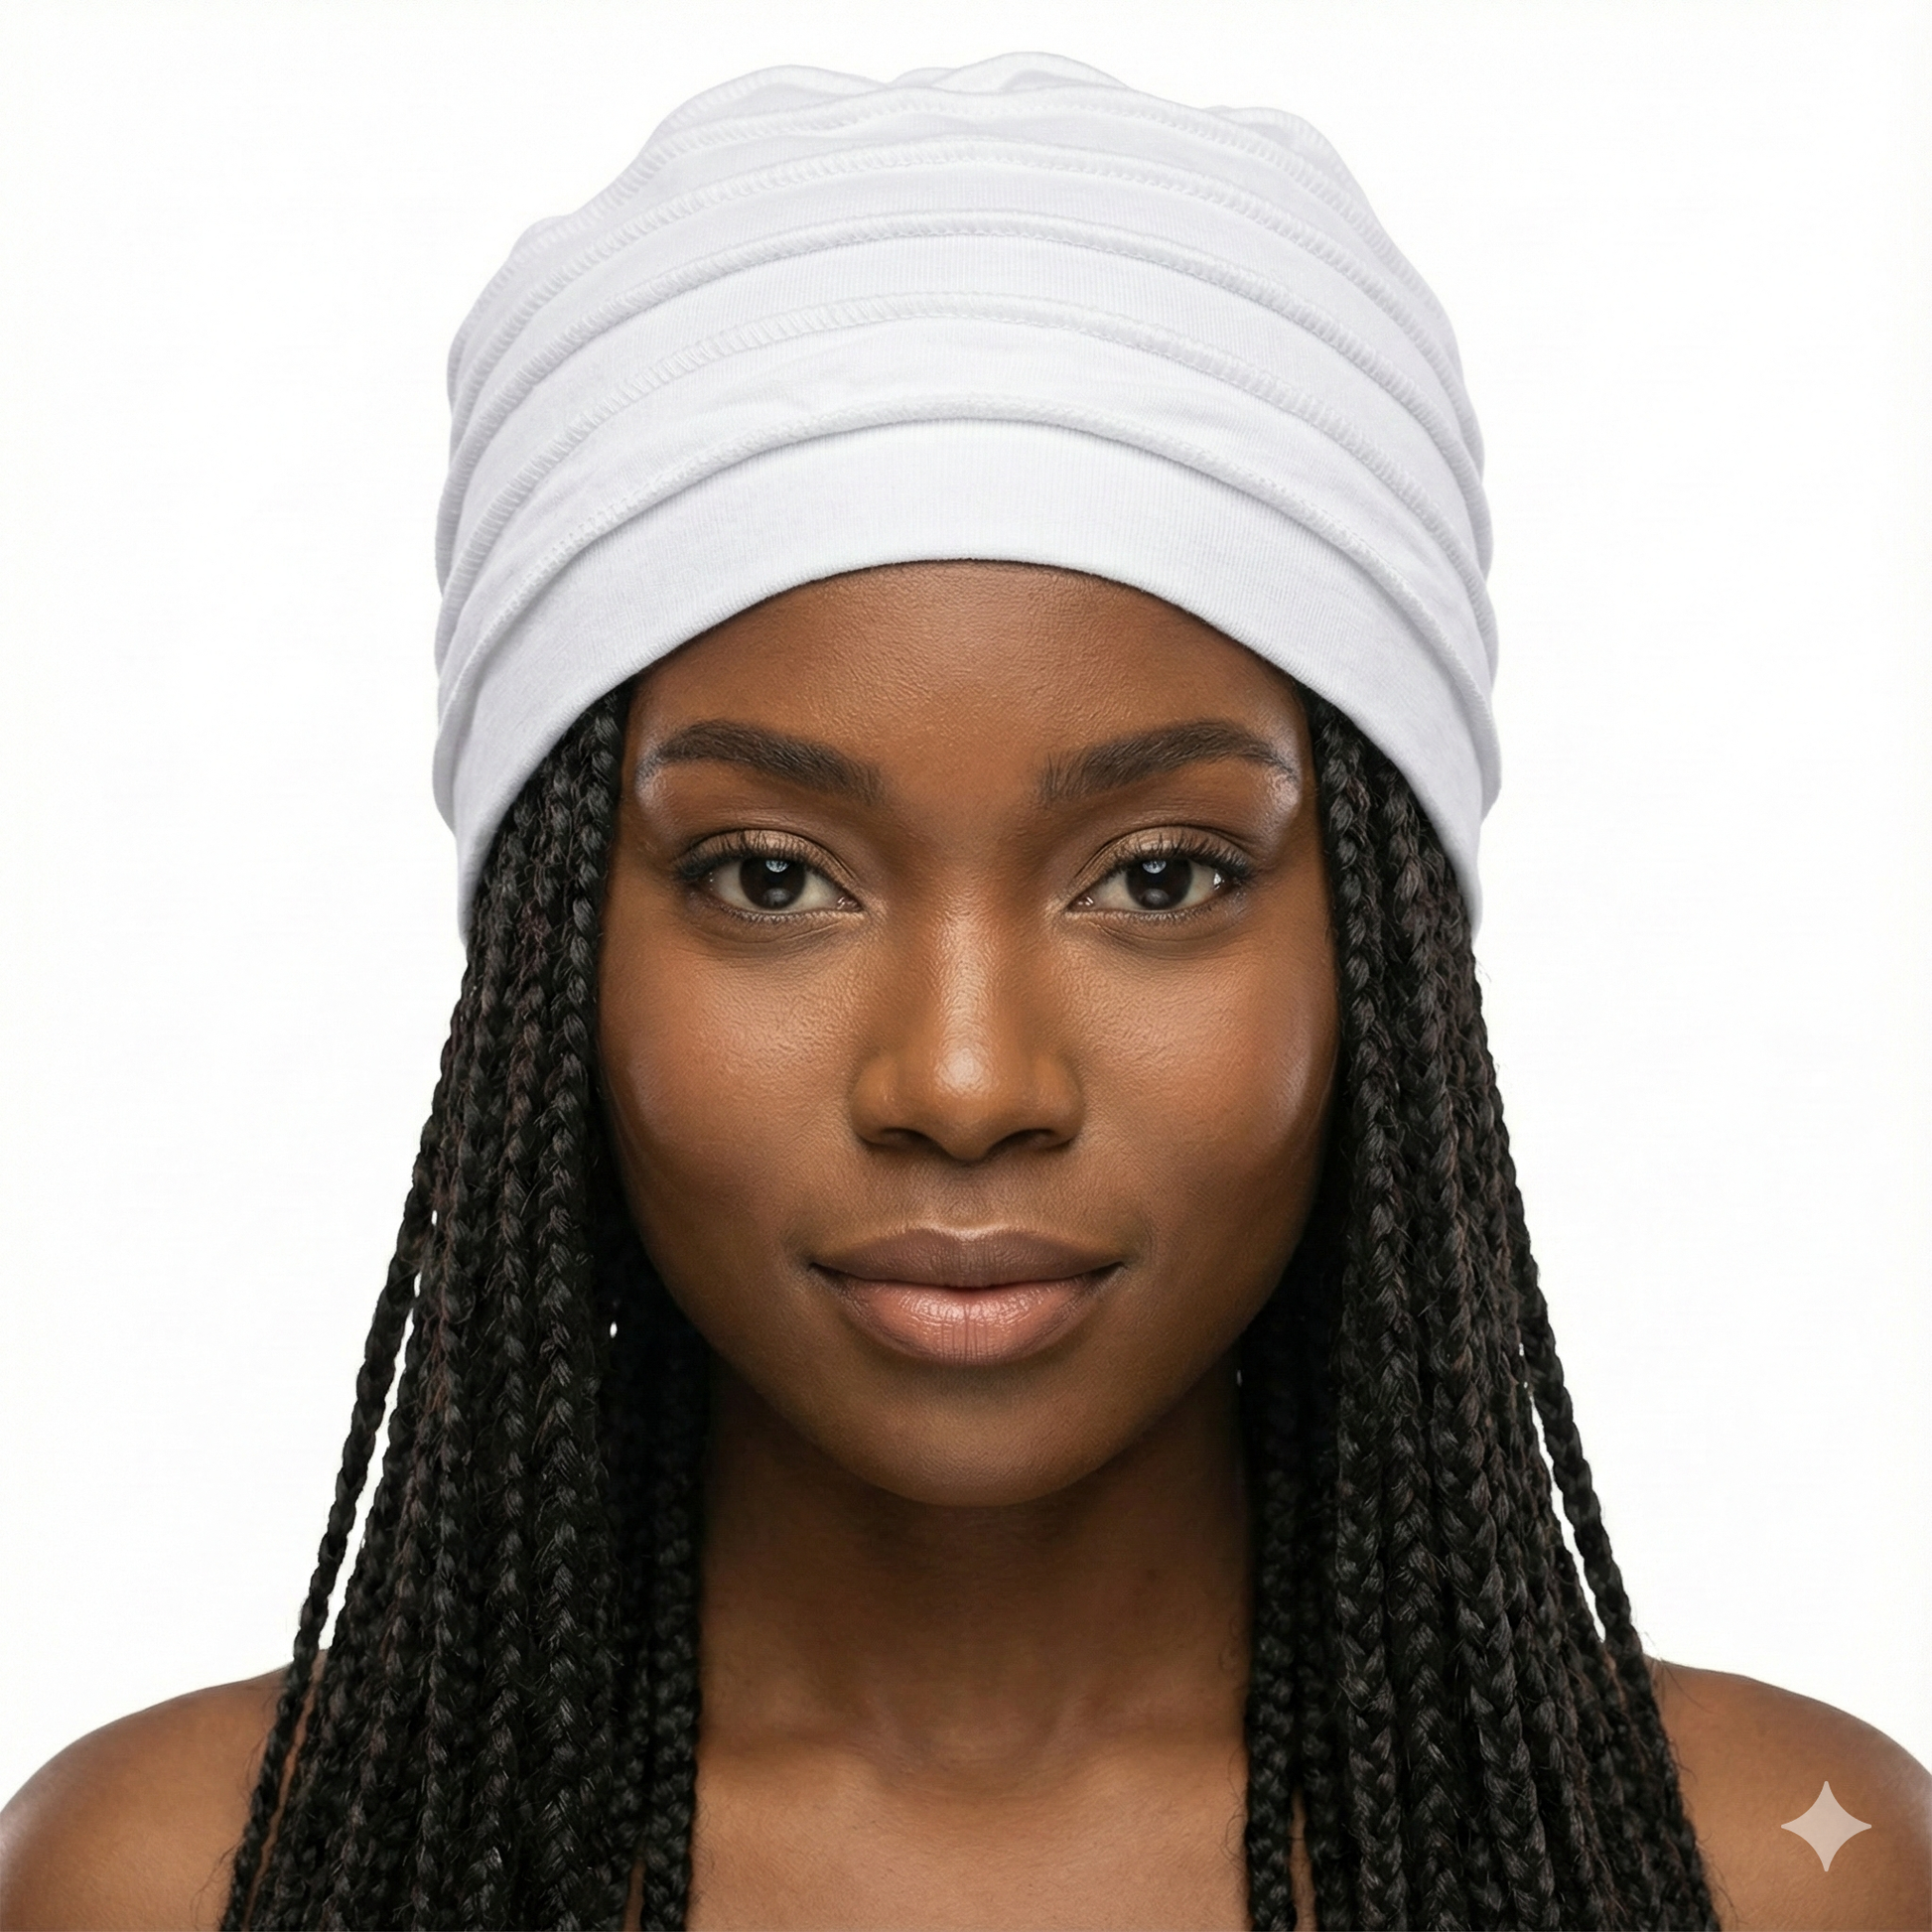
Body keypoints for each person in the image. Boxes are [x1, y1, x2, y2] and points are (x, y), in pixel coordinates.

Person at [1, 55, 1926, 1932]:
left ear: (1380, 956)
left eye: (1160, 877)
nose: (964, 1074)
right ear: (551, 958)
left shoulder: (1767, 1870)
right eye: (770, 877)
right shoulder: (188, 1881)